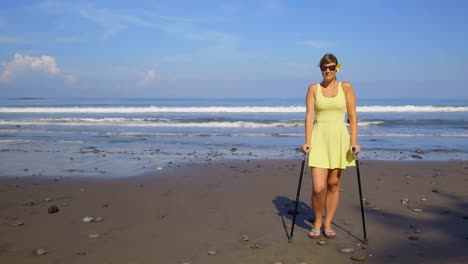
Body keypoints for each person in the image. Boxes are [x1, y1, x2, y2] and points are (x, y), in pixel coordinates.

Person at [301, 53, 361, 239]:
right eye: (324, 68)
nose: (328, 70)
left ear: (337, 68)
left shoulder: (346, 87)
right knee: (318, 187)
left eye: (331, 67)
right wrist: (307, 141)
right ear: (321, 69)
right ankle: (318, 220)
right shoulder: (313, 89)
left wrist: (354, 142)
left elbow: (352, 117)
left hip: (339, 139)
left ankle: (327, 223)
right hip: (319, 139)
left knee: (333, 184)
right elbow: (310, 116)